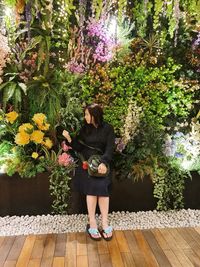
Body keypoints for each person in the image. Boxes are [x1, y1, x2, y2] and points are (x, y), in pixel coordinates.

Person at [62, 103, 115, 241]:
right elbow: (79, 147)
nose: (85, 117)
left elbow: (110, 148)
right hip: (87, 164)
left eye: (87, 114)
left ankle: (104, 222)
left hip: (102, 164)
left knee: (102, 188)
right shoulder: (85, 129)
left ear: (95, 115)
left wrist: (104, 162)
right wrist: (69, 139)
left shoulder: (108, 129)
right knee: (92, 189)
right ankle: (92, 222)